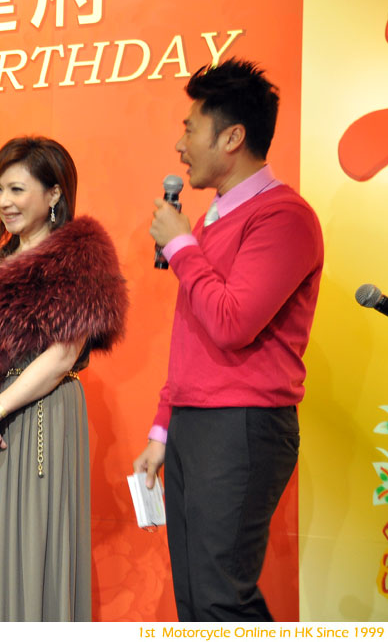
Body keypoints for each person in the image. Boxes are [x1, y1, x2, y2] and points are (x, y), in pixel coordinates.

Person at [133, 59, 323, 621]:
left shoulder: (284, 217)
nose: (180, 145)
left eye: (190, 129)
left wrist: (181, 246)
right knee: (195, 599)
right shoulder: (212, 220)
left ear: (232, 137)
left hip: (241, 426)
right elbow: (191, 337)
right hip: (195, 423)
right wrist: (163, 428)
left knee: (221, 598)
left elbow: (232, 323)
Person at [0, 136, 128, 621]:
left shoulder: (78, 262)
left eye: (17, 189)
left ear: (54, 193)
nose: (4, 202)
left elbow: (62, 357)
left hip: (39, 416)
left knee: (31, 551)